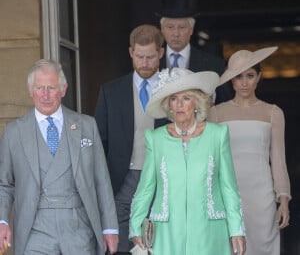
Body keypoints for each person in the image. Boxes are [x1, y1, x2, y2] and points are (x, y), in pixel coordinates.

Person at [0, 59, 118, 255]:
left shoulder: (86, 125)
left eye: (52, 88)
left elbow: (101, 181)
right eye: (39, 88)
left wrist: (110, 228)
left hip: (79, 228)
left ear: (63, 89)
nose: (45, 95)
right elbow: (4, 184)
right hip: (34, 229)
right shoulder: (14, 132)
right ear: (30, 90)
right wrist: (2, 220)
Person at [129, 67, 246, 255]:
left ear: (197, 102)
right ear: (168, 105)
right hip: (167, 231)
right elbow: (146, 188)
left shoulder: (217, 135)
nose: (179, 105)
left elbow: (228, 187)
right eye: (174, 99)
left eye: (186, 98)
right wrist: (136, 226)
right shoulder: (155, 139)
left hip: (208, 230)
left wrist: (236, 230)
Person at [207, 46, 291, 255]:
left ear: (259, 77)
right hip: (227, 194)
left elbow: (278, 159)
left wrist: (283, 200)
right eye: (238, 77)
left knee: (263, 247)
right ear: (231, 80)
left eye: (250, 75)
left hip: (262, 195)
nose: (244, 82)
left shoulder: (273, 112)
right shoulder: (215, 113)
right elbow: (212, 160)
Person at [95, 24, 168, 254]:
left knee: (163, 243)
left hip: (164, 179)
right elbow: (100, 143)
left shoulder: (173, 91)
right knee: (122, 246)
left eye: (150, 57)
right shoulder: (111, 91)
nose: (144, 63)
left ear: (161, 53)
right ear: (130, 53)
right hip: (122, 181)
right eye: (139, 57)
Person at [157, 7, 233, 104]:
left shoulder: (213, 65)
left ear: (191, 30)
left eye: (182, 27)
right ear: (162, 29)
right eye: (170, 27)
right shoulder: (149, 62)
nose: (176, 33)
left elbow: (224, 105)